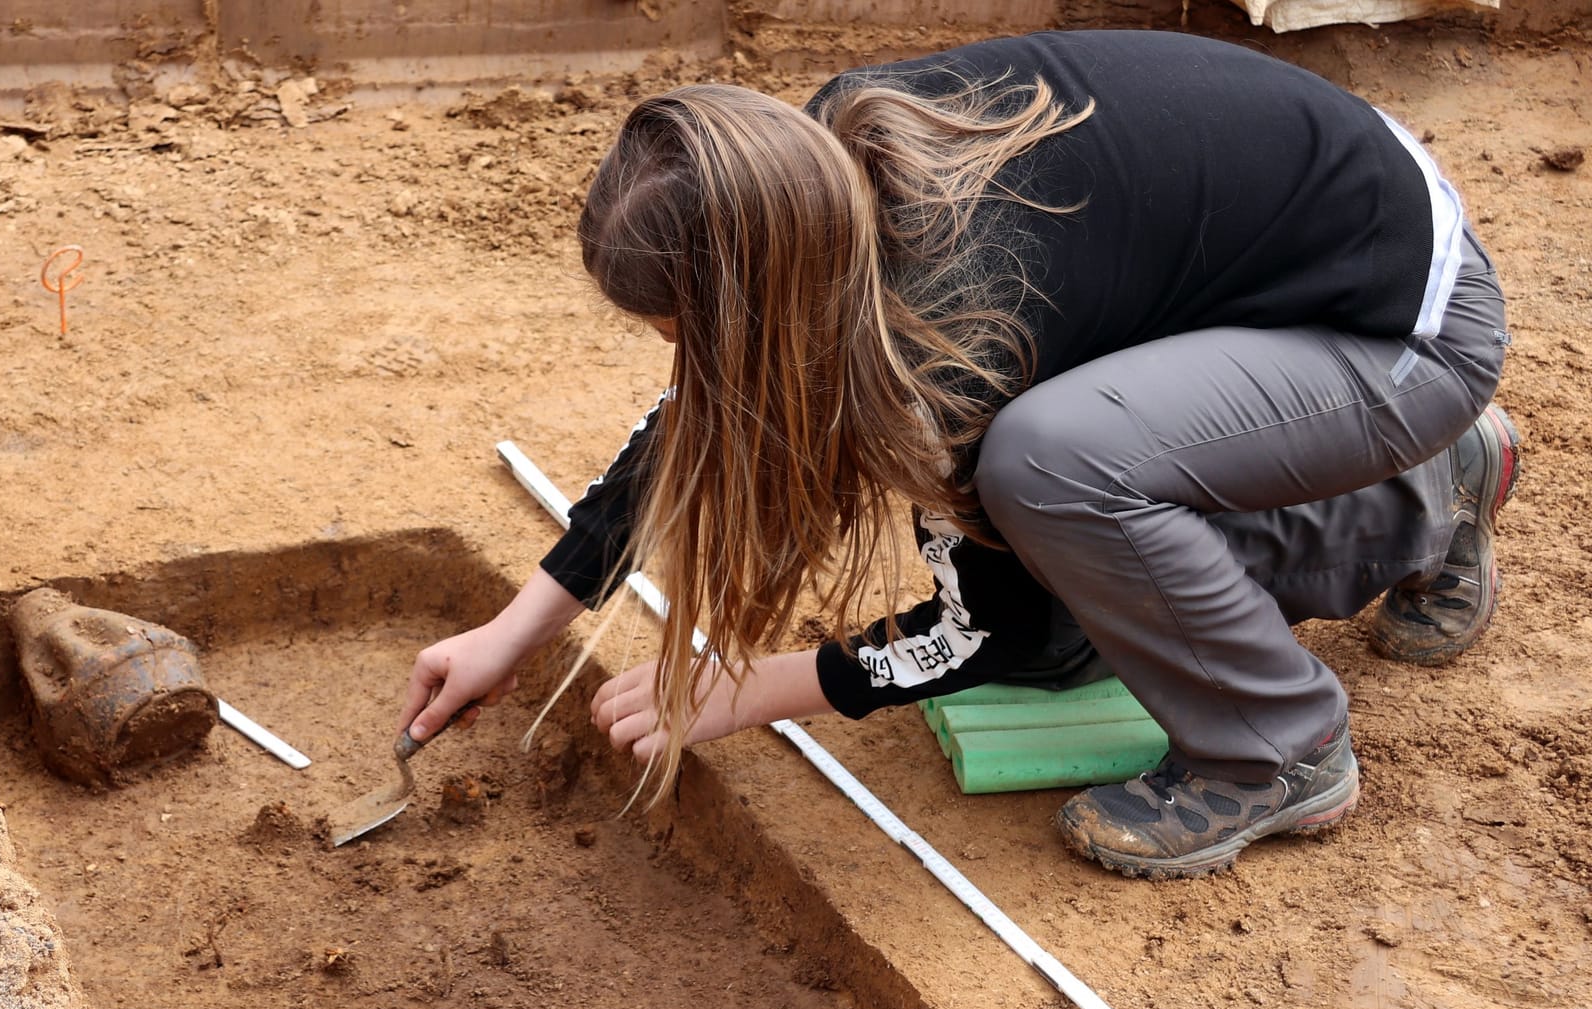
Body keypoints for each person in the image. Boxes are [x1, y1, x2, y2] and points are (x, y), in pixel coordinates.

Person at [396, 29, 1519, 880]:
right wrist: (515, 628)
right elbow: (707, 411)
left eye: (689, 331)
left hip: (1397, 331)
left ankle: (1278, 749)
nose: (687, 364)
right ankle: (1437, 485)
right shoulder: (811, 174)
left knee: (1051, 471)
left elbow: (990, 628)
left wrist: (755, 687)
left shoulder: (956, 334)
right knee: (1077, 542)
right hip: (1299, 267)